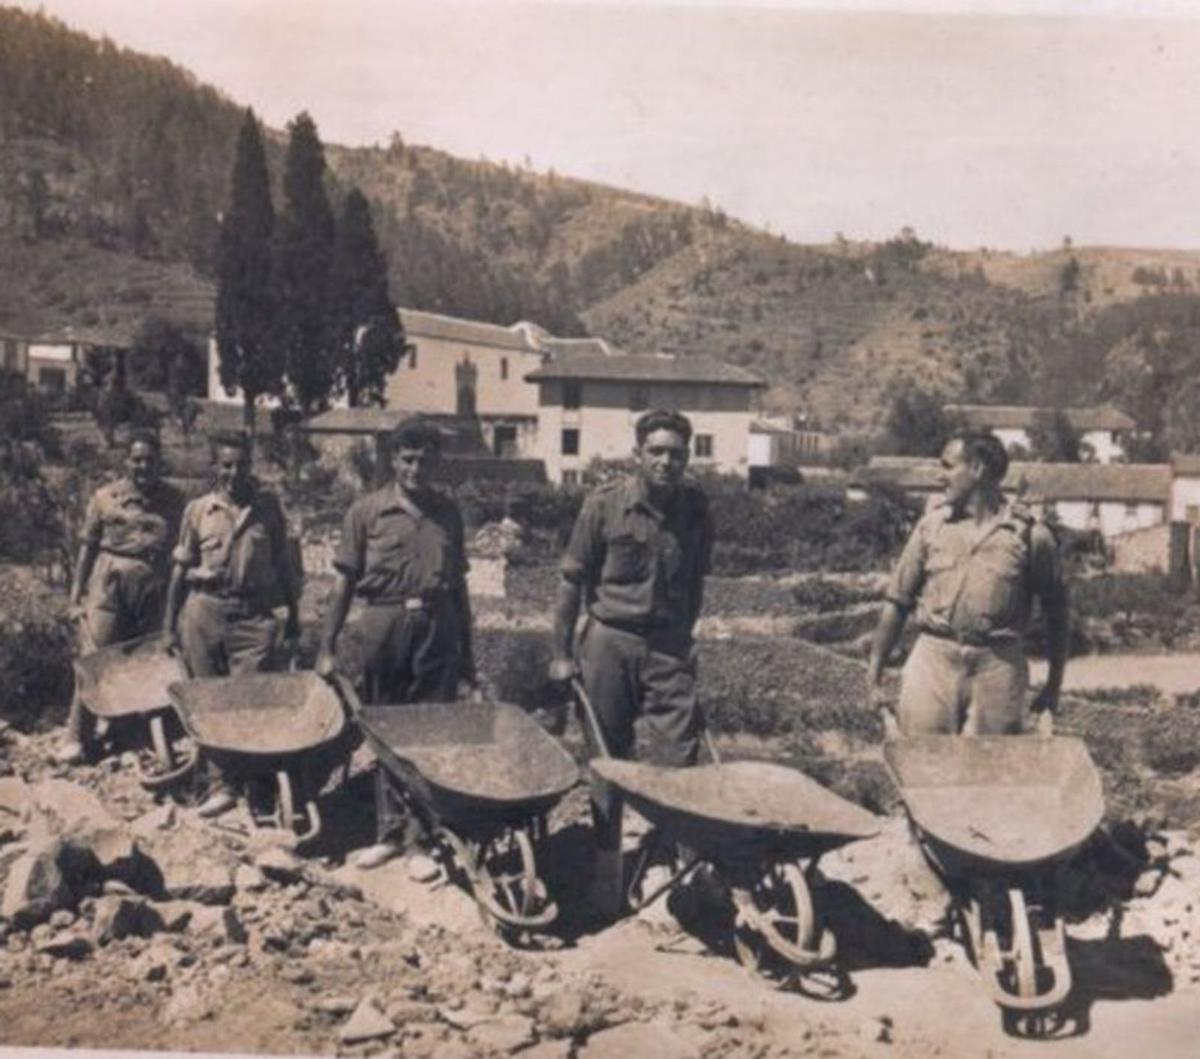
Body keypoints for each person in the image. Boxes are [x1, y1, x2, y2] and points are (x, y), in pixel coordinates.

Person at [548, 408, 714, 917]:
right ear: (638, 454)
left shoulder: (696, 509)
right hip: (609, 643)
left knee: (679, 758)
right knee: (606, 756)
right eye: (657, 451)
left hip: (667, 647)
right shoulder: (604, 506)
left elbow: (696, 582)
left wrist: (684, 641)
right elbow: (572, 581)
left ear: (688, 458)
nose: (667, 462)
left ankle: (671, 867)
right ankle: (607, 868)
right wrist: (560, 654)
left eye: (677, 454)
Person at [316, 416, 476, 868]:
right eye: (408, 459)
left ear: (436, 462)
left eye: (425, 459)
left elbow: (460, 589)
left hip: (437, 624)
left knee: (431, 732)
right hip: (383, 624)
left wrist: (467, 653)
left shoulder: (448, 513)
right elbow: (343, 584)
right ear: (393, 460)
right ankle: (390, 833)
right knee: (385, 729)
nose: (416, 468)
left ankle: (424, 840)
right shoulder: (365, 512)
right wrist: (327, 646)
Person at [866, 431, 1069, 737]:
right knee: (923, 763)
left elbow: (1058, 615)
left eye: (947, 466)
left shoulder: (1030, 536)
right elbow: (897, 602)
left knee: (990, 770)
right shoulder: (930, 527)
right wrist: (874, 676)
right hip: (933, 659)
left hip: (998, 666)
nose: (939, 477)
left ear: (977, 469)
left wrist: (1054, 687)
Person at [163, 431, 301, 817]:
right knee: (208, 700)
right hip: (204, 610)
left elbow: (285, 568)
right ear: (215, 466)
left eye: (241, 464)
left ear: (250, 466)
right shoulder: (197, 511)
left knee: (250, 701)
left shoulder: (268, 509)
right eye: (226, 464)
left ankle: (256, 790)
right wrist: (168, 625)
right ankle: (221, 786)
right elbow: (180, 568)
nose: (233, 472)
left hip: (253, 616)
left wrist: (292, 617)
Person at [58, 429, 185, 764]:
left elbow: (184, 552)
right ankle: (76, 736)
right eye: (137, 459)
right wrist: (75, 597)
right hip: (109, 582)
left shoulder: (175, 501)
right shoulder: (104, 497)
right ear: (127, 461)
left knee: (145, 660)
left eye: (150, 460)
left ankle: (127, 731)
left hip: (153, 586)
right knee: (96, 655)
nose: (143, 466)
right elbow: (86, 549)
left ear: (159, 462)